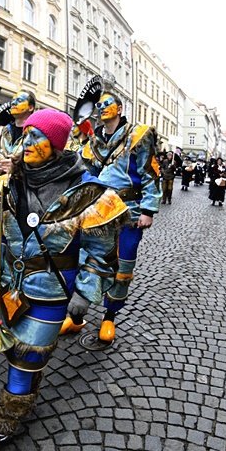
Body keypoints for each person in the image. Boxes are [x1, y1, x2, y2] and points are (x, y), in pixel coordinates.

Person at [0, 109, 129, 451]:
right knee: (13, 349)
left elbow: (100, 253)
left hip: (52, 289)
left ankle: (2, 425)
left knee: (25, 357)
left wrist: (85, 293)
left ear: (56, 144)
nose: (29, 143)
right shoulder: (11, 180)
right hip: (9, 287)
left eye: (39, 137)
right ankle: (26, 390)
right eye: (27, 135)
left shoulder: (87, 191)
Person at [74, 91, 160, 344]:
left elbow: (149, 173)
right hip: (97, 210)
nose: (101, 108)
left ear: (120, 108)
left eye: (107, 104)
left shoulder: (138, 136)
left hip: (128, 211)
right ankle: (78, 316)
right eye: (98, 105)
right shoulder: (93, 140)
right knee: (87, 261)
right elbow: (84, 171)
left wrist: (148, 209)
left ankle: (109, 317)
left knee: (122, 267)